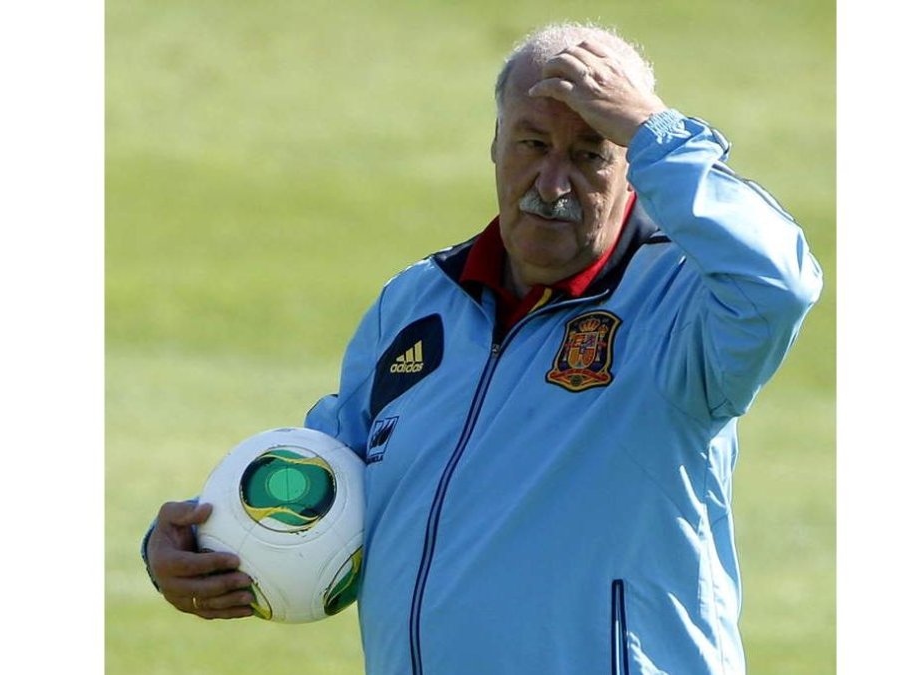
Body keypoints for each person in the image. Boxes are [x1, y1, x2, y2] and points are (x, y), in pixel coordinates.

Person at [142, 21, 822, 675]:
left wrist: (656, 129)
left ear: (633, 168)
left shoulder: (683, 305)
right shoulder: (417, 304)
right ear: (495, 142)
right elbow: (329, 480)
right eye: (532, 143)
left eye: (590, 154)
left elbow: (781, 282)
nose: (552, 184)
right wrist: (193, 543)